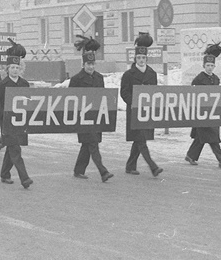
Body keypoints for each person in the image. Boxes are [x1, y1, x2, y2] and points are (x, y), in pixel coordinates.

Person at [0, 38, 32, 189]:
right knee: (15, 148)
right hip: (6, 121)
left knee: (11, 147)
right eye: (12, 67)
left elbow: (29, 102)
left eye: (17, 67)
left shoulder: (24, 84)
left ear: (21, 69)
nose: (14, 70)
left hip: (19, 122)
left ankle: (5, 173)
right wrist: (3, 114)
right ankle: (24, 178)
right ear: (7, 69)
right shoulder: (2, 84)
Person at [69, 36, 113, 182]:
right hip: (83, 119)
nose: (91, 67)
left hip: (96, 117)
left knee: (88, 144)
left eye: (92, 64)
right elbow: (70, 99)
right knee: (92, 144)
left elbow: (103, 98)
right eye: (88, 64)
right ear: (83, 64)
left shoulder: (99, 78)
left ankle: (78, 170)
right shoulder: (76, 80)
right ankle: (103, 171)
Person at [121, 32, 163, 178]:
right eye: (138, 58)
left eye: (143, 58)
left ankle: (130, 165)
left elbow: (154, 92)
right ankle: (153, 166)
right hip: (134, 112)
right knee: (141, 139)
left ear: (146, 58)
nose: (141, 60)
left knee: (139, 139)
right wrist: (134, 102)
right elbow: (124, 93)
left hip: (146, 112)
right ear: (135, 59)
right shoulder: (128, 75)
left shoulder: (152, 73)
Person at [186, 44, 221, 169]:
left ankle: (191, 155)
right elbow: (193, 93)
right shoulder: (199, 79)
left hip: (212, 112)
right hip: (201, 112)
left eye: (212, 66)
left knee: (202, 137)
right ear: (204, 66)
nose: (210, 68)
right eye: (208, 66)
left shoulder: (216, 79)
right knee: (212, 137)